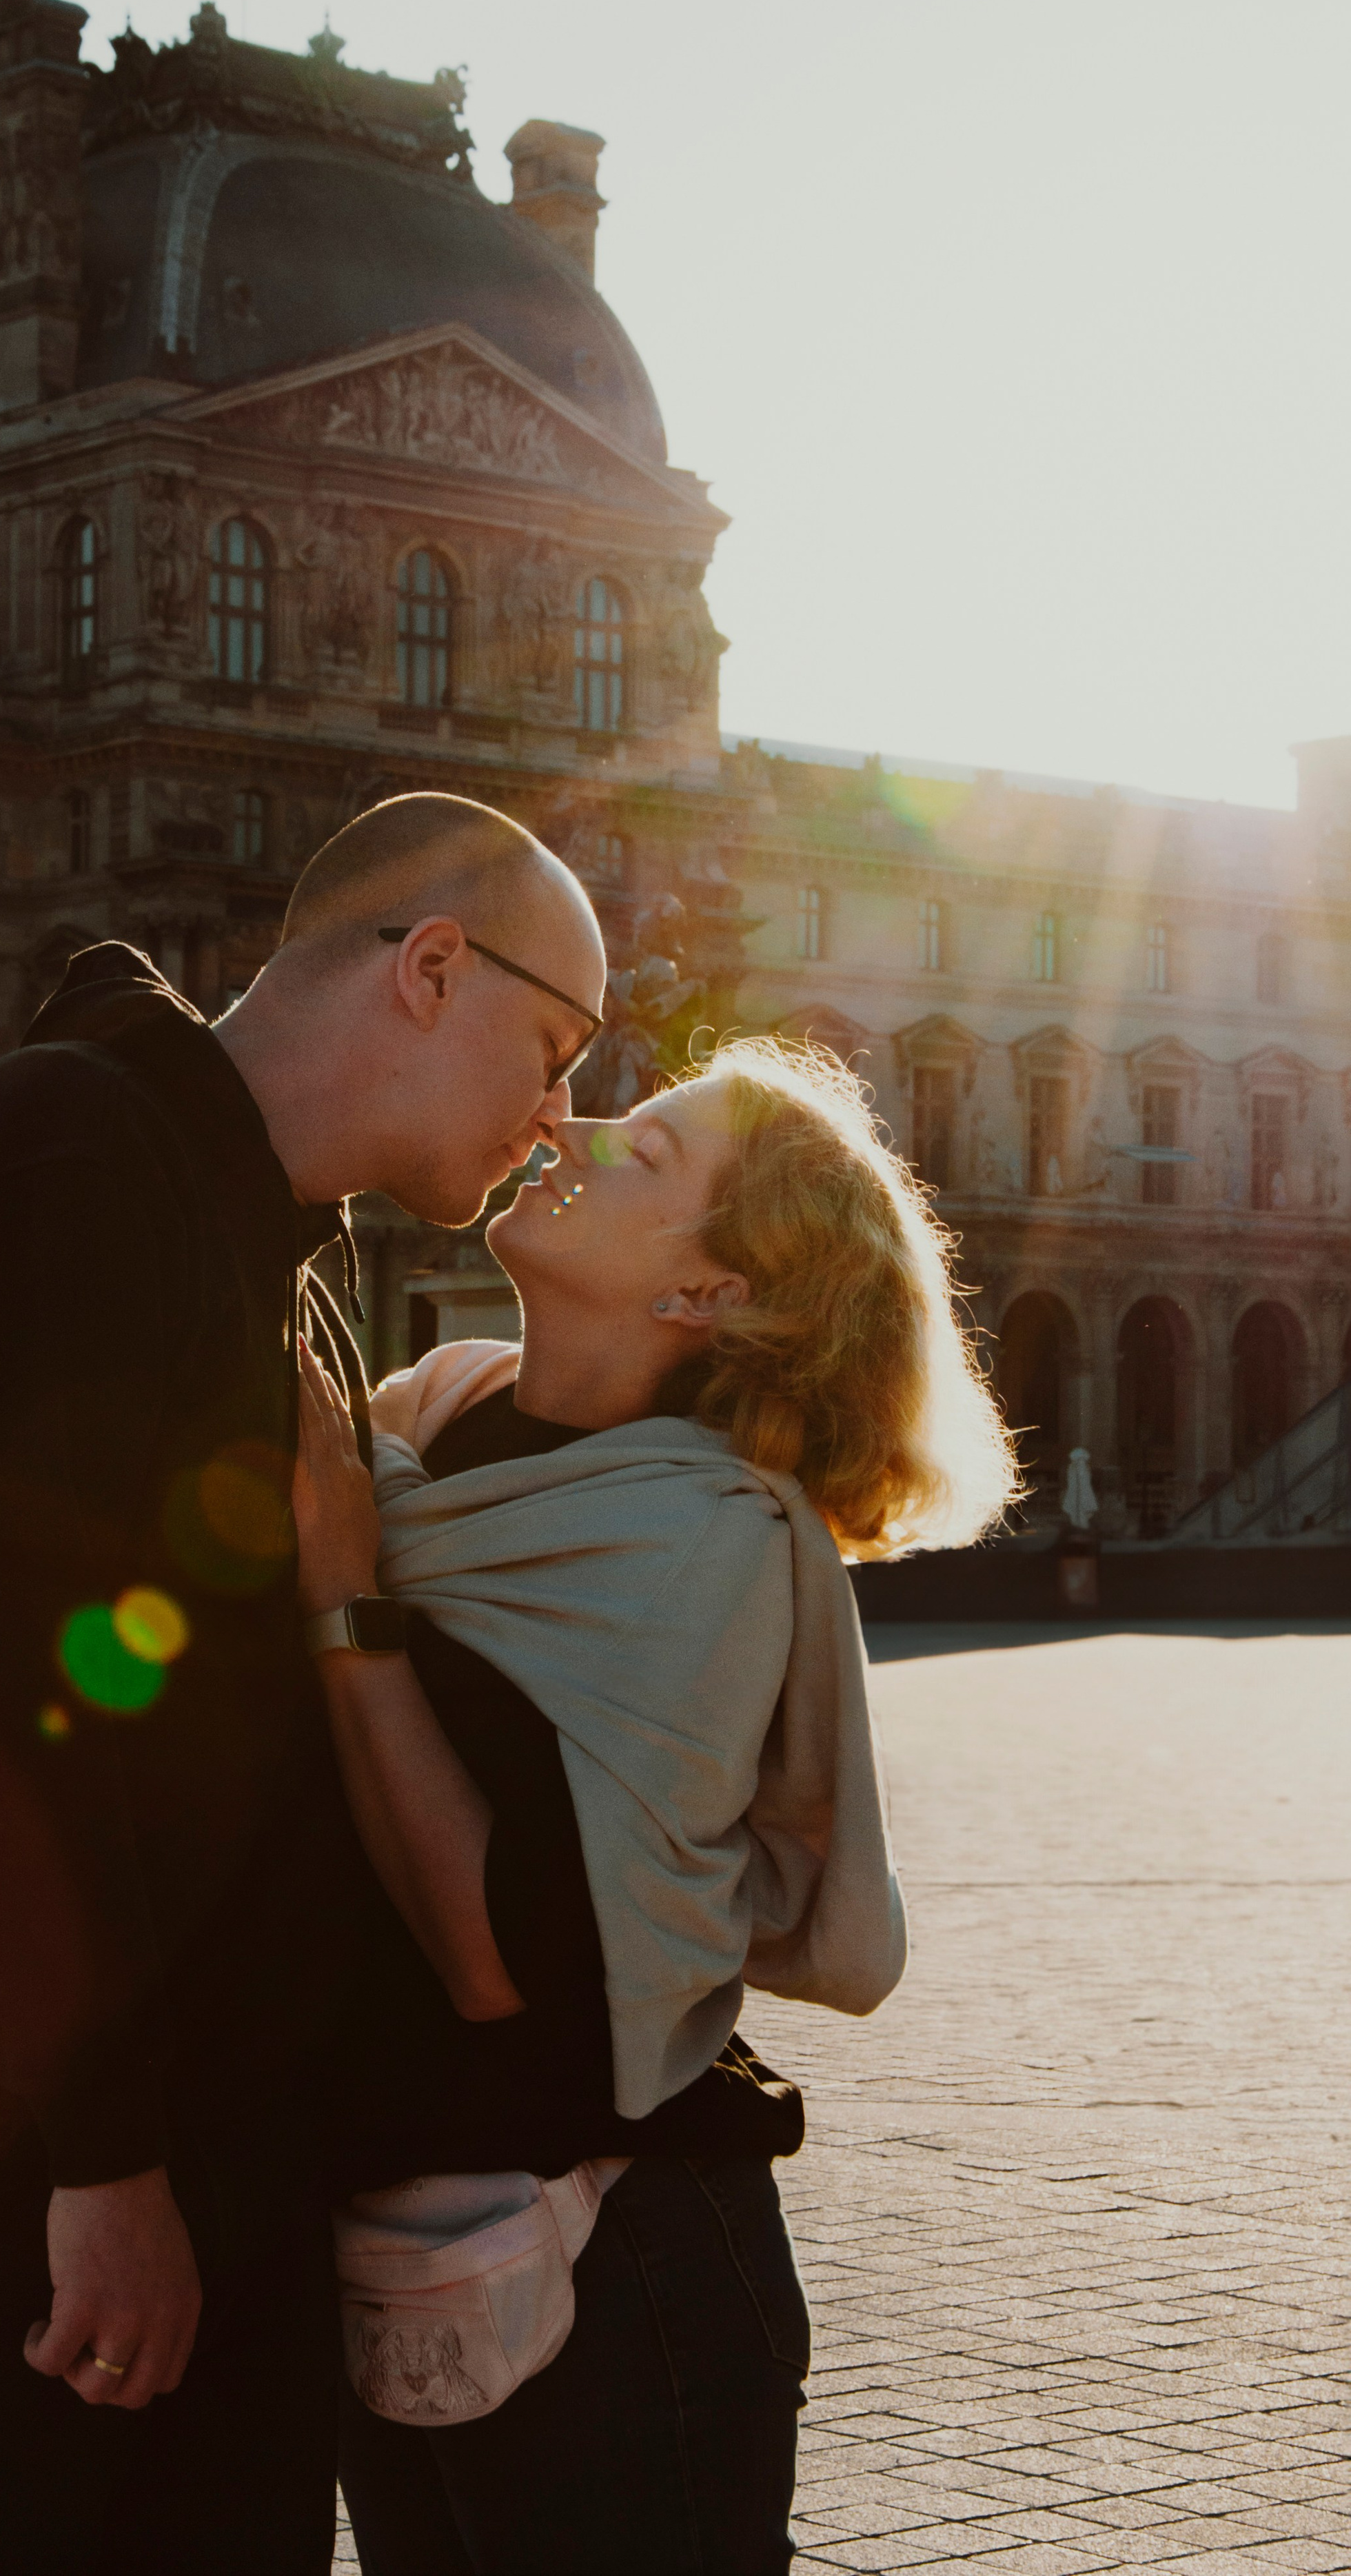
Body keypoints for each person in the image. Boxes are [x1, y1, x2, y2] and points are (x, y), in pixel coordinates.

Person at [0, 791, 607, 2574]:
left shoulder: (288, 1261)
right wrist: (104, 2158)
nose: (559, 1110)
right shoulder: (63, 1156)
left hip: (182, 2215)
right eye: (555, 1044)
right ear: (432, 969)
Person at [293, 1037, 1020, 2576]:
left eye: (649, 1150)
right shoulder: (420, 1423)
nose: (573, 1119)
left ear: (714, 1294)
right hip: (394, 2245)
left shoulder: (700, 1539)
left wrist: (347, 1596)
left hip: (623, 2286)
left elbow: (497, 1955)